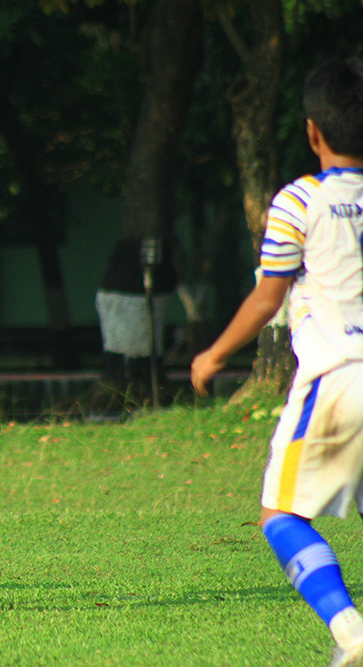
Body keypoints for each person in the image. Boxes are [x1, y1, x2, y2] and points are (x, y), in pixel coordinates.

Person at [191, 58, 363, 667]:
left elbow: (269, 295)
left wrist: (212, 353)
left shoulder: (300, 201)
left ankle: (350, 631)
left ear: (314, 132)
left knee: (280, 512)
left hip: (339, 374)